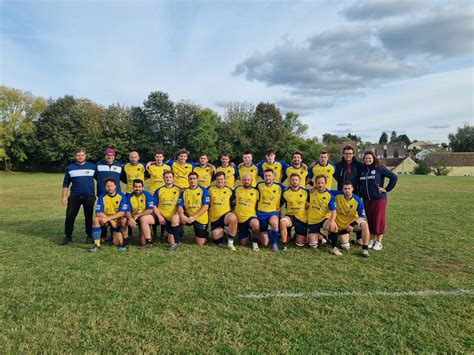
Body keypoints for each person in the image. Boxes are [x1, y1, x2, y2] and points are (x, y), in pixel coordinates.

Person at [359, 151, 398, 251]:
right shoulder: (363, 170)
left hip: (379, 198)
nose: (367, 160)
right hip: (367, 199)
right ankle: (372, 239)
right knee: (370, 219)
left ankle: (379, 241)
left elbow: (394, 177)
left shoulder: (379, 168)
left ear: (373, 158)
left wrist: (387, 188)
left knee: (378, 219)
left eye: (369, 158)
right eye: (366, 158)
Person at [60, 148, 96, 245]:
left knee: (88, 217)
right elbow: (65, 184)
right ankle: (68, 236)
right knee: (70, 216)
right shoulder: (70, 168)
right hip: (74, 196)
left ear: (86, 156)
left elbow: (100, 180)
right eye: (78, 155)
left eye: (82, 155)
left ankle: (89, 236)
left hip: (89, 196)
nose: (80, 157)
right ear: (75, 156)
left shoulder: (92, 167)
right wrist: (64, 197)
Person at [334, 146, 364, 244]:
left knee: (355, 215)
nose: (348, 155)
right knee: (342, 214)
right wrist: (315, 164)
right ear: (343, 154)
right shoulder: (338, 165)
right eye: (346, 153)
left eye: (350, 153)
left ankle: (359, 237)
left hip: (355, 194)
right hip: (342, 195)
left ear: (353, 154)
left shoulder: (359, 165)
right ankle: (341, 233)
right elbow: (326, 167)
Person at [90, 178, 129, 253]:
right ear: (105, 187)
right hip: (107, 220)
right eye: (108, 186)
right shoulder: (102, 196)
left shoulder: (122, 196)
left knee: (118, 243)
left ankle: (124, 241)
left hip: (118, 220)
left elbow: (122, 213)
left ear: (115, 186)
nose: (110, 188)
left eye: (111, 185)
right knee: (96, 220)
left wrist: (112, 220)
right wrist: (111, 220)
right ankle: (96, 245)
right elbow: (98, 212)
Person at [332, 181, 370, 257]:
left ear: (352, 189)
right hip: (340, 226)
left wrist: (352, 224)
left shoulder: (358, 200)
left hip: (351, 225)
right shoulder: (337, 195)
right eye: (345, 188)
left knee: (364, 224)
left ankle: (365, 249)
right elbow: (326, 190)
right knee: (345, 246)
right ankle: (341, 237)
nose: (347, 190)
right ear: (342, 189)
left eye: (349, 188)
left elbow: (362, 216)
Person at [307, 175, 339, 255]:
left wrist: (332, 221)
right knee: (313, 246)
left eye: (322, 183)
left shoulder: (329, 195)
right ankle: (322, 236)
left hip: (323, 219)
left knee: (334, 227)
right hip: (312, 221)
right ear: (315, 183)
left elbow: (333, 211)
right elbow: (298, 189)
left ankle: (334, 247)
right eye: (318, 183)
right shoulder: (311, 192)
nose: (320, 185)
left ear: (325, 183)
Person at [177, 172, 210, 246]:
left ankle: (205, 234)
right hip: (188, 215)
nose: (192, 180)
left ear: (197, 180)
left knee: (200, 243)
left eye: (194, 179)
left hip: (200, 217)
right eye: (190, 179)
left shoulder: (203, 190)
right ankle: (179, 234)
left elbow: (205, 207)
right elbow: (180, 206)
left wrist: (194, 217)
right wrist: (182, 215)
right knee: (175, 218)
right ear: (188, 180)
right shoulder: (184, 191)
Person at [153, 171, 182, 252]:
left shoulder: (179, 190)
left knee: (171, 241)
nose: (168, 179)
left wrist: (177, 214)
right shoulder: (158, 190)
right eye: (166, 177)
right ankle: (151, 238)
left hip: (173, 218)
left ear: (173, 178)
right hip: (162, 216)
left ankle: (178, 239)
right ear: (163, 179)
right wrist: (159, 216)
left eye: (170, 177)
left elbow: (182, 206)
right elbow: (154, 205)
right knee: (170, 241)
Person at [256, 168, 284, 252]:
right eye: (266, 176)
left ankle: (274, 243)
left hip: (273, 212)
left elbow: (292, 190)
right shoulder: (259, 185)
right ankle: (266, 234)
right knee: (264, 243)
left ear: (273, 177)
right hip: (261, 213)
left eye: (269, 176)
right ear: (263, 177)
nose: (267, 177)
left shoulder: (279, 187)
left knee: (275, 223)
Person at [208, 171, 238, 251]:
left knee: (233, 218)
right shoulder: (210, 189)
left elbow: (233, 204)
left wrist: (233, 213)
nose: (220, 181)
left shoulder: (230, 190)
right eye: (218, 179)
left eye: (221, 179)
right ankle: (224, 232)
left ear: (225, 179)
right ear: (215, 180)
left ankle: (230, 243)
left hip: (225, 215)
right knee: (216, 240)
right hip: (215, 219)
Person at [280, 173, 309, 251]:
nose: (294, 181)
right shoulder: (286, 192)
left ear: (299, 181)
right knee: (282, 222)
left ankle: (296, 235)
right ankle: (284, 244)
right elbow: (279, 204)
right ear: (290, 181)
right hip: (290, 216)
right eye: (293, 180)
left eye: (296, 180)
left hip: (302, 218)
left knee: (300, 244)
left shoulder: (306, 192)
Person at [124, 179, 155, 247]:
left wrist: (138, 215)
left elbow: (150, 210)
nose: (137, 189)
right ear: (133, 187)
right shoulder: (129, 196)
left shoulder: (147, 194)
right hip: (135, 217)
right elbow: (127, 211)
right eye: (135, 187)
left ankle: (149, 241)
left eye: (139, 187)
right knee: (142, 243)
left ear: (142, 187)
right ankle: (126, 240)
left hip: (146, 217)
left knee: (143, 218)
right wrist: (130, 219)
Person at [234, 173, 260, 250]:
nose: (246, 181)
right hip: (240, 220)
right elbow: (231, 201)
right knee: (243, 243)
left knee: (255, 224)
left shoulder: (256, 191)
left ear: (251, 180)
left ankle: (255, 242)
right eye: (245, 180)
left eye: (248, 180)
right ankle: (249, 233)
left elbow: (258, 205)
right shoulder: (237, 189)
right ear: (242, 180)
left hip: (251, 217)